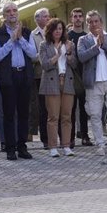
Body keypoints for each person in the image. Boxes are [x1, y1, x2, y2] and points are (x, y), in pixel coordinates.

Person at [0, 1, 37, 160]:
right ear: (4, 15)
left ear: (18, 13)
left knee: (24, 113)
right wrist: (11, 40)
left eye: (14, 10)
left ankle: (22, 146)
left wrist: (20, 39)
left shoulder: (27, 32)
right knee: (9, 113)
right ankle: (10, 148)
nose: (12, 13)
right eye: (8, 11)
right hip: (8, 77)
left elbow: (33, 54)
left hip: (24, 75)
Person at [77, 10, 107, 156]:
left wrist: (103, 43)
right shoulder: (83, 40)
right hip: (93, 82)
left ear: (101, 22)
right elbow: (82, 57)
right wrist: (96, 47)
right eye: (90, 22)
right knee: (95, 114)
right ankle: (100, 144)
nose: (93, 24)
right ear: (87, 24)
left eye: (96, 21)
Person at [39, 17, 77, 157]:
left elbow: (74, 64)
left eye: (60, 29)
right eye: (55, 29)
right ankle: (53, 146)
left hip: (66, 81)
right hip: (51, 82)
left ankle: (66, 146)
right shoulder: (44, 45)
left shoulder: (69, 44)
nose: (58, 31)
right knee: (53, 116)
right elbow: (45, 65)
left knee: (66, 116)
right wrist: (58, 54)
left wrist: (66, 53)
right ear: (50, 30)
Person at [67, 7, 93, 147]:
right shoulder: (67, 36)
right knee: (70, 109)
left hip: (84, 76)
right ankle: (70, 137)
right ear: (71, 19)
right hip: (70, 76)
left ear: (83, 19)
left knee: (84, 108)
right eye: (75, 16)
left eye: (79, 16)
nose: (77, 19)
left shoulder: (87, 36)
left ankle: (85, 135)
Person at [29, 7, 50, 148]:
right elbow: (32, 56)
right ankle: (45, 139)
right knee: (42, 108)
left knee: (53, 109)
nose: (48, 18)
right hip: (39, 76)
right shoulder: (32, 35)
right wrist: (47, 56)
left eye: (48, 16)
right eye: (45, 16)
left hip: (54, 75)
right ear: (37, 19)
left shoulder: (54, 32)